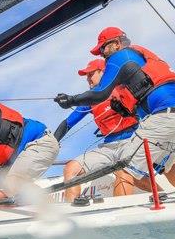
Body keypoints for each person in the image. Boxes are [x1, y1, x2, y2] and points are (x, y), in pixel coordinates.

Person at [54, 27, 175, 190]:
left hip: (163, 117)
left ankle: (118, 216)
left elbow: (100, 93)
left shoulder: (119, 57)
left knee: (124, 169)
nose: (102, 53)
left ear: (115, 44)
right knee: (163, 166)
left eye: (102, 48)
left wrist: (71, 100)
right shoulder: (134, 62)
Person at [55, 58, 141, 201]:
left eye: (91, 74)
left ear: (103, 72)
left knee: (123, 170)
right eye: (86, 76)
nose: (88, 79)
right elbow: (68, 123)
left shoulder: (122, 88)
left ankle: (121, 214)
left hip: (130, 141)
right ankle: (71, 214)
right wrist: (53, 141)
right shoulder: (90, 99)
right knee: (71, 169)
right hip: (107, 147)